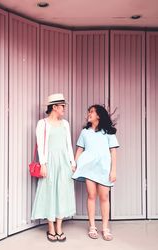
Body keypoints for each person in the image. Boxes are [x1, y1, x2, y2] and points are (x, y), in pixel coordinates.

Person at [31, 93, 76, 242]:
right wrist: (43, 164)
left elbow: (68, 145)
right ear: (55, 107)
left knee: (62, 192)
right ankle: (51, 227)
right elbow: (41, 146)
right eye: (62, 106)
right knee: (49, 192)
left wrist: (72, 163)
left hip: (64, 162)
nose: (64, 109)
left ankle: (59, 227)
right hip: (49, 162)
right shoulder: (42, 123)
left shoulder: (65, 123)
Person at [72, 104, 119, 241]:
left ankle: (105, 228)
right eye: (88, 112)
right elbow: (80, 150)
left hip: (104, 169)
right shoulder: (84, 132)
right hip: (88, 168)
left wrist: (114, 170)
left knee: (104, 197)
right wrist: (75, 164)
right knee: (91, 195)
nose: (88, 114)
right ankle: (92, 226)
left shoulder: (109, 132)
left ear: (99, 115)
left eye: (91, 112)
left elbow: (113, 152)